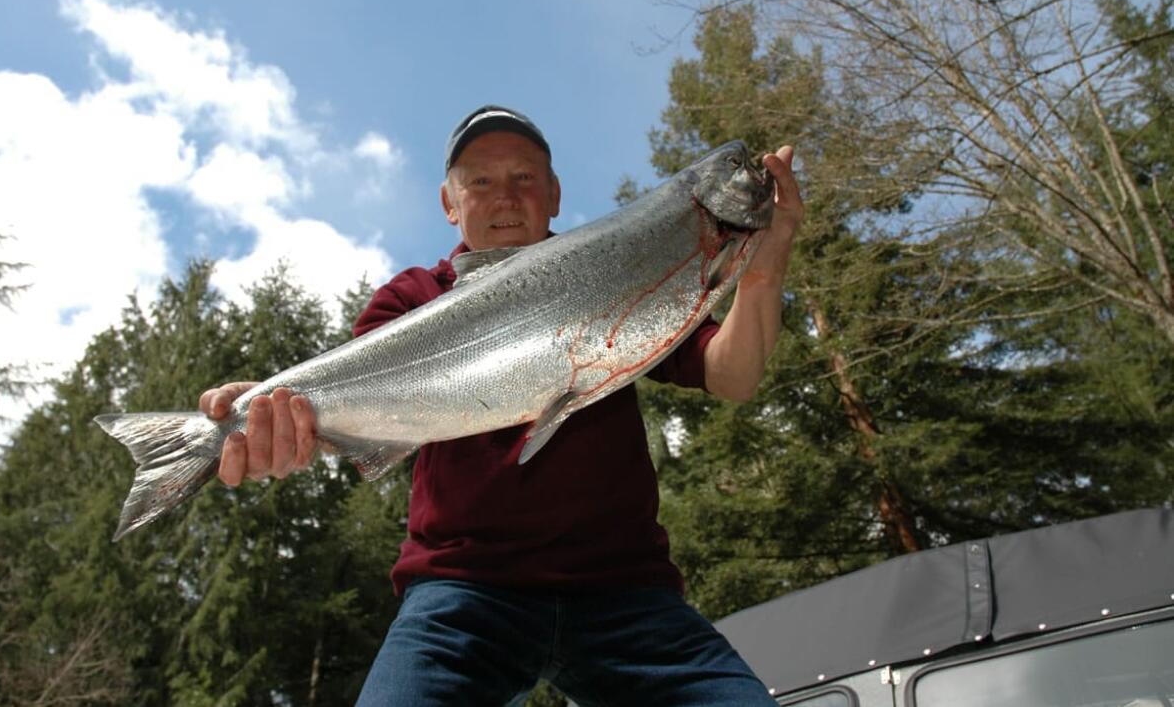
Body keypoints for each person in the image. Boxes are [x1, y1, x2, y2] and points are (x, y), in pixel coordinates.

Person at [199, 105, 804, 705]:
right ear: (449, 203)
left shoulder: (618, 266)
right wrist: (265, 413)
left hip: (629, 595)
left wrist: (763, 270)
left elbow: (734, 375)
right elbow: (353, 391)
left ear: (556, 194)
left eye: (524, 178)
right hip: (459, 595)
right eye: (480, 182)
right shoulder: (412, 296)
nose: (505, 197)